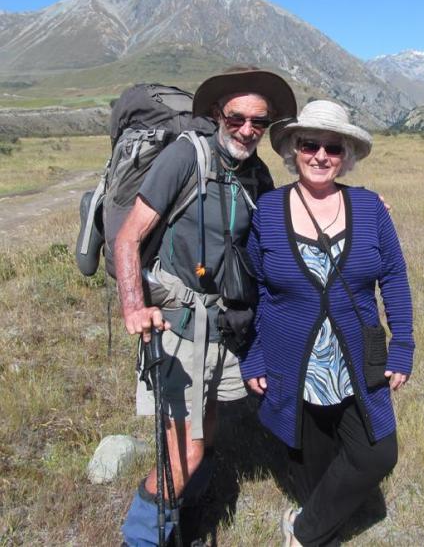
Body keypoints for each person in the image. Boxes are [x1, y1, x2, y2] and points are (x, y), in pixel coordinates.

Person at [115, 67, 297, 546]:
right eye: (237, 117)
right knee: (185, 453)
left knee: (207, 426)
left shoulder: (257, 173)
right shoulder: (184, 158)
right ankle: (142, 538)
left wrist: (361, 206)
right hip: (179, 324)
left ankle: (188, 520)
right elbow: (128, 237)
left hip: (226, 323)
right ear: (218, 113)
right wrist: (134, 305)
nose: (246, 129)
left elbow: (280, 234)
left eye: (258, 122)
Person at [239, 100, 414, 547]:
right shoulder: (269, 211)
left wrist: (403, 346)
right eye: (309, 144)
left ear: (346, 155)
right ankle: (318, 530)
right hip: (291, 355)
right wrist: (254, 354)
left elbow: (393, 278)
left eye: (331, 148)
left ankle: (300, 532)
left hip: (356, 355)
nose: (320, 155)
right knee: (311, 461)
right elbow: (255, 288)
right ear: (293, 150)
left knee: (377, 453)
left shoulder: (371, 209)